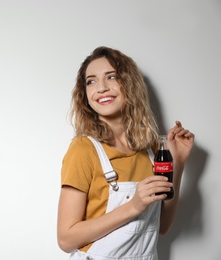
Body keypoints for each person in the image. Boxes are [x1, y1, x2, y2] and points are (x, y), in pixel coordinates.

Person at [57, 46, 195, 260]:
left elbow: (162, 226)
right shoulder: (83, 150)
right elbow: (66, 240)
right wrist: (134, 206)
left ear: (129, 84)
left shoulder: (152, 151)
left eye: (111, 77)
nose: (100, 88)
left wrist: (178, 162)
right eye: (91, 81)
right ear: (85, 94)